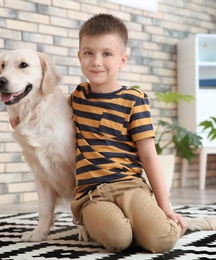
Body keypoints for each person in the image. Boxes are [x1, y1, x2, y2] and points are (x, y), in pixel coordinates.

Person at [70, 13, 186, 253]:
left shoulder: (134, 100)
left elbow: (149, 156)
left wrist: (165, 208)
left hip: (131, 187)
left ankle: (147, 223)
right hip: (93, 195)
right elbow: (47, 112)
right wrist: (20, 117)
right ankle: (98, 221)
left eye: (107, 54)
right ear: (79, 56)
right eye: (89, 53)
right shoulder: (77, 97)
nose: (96, 61)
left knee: (163, 240)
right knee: (119, 239)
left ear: (122, 60)